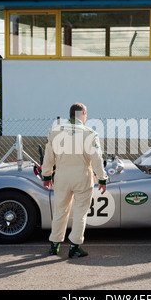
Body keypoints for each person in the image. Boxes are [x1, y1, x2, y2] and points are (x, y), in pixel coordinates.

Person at [42, 103, 108, 258]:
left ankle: (54, 244)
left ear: (70, 115)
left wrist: (46, 176)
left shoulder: (55, 132)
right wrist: (102, 178)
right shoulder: (90, 133)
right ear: (83, 115)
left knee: (60, 210)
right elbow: (97, 158)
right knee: (80, 213)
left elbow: (48, 157)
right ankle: (75, 246)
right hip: (82, 176)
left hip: (62, 176)